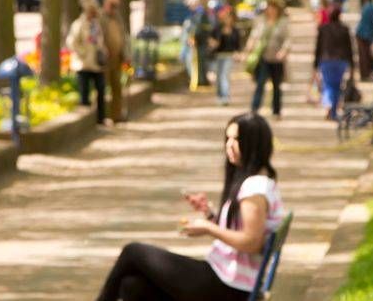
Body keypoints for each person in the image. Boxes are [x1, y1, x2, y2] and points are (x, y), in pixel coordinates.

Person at [96, 113, 284, 301]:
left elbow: (251, 242)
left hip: (228, 285)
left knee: (133, 251)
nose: (229, 145)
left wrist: (209, 228)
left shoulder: (254, 188)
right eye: (228, 138)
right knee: (132, 286)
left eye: (237, 139)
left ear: (254, 143)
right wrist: (210, 214)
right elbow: (244, 230)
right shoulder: (259, 182)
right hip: (226, 280)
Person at [246, 2, 289, 119]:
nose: (270, 11)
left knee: (276, 85)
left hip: (276, 59)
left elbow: (287, 39)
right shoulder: (261, 21)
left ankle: (276, 111)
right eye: (268, 9)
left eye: (272, 9)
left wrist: (284, 51)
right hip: (263, 57)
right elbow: (254, 36)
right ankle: (254, 109)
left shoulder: (283, 23)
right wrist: (248, 49)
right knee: (260, 83)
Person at [313, 6, 355, 120]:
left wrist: (315, 65)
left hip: (326, 61)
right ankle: (333, 111)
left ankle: (329, 107)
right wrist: (352, 65)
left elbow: (318, 48)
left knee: (328, 85)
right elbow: (349, 48)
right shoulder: (344, 29)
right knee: (336, 86)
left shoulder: (323, 28)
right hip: (340, 62)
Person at [210, 1, 243, 106]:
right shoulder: (217, 28)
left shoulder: (235, 30)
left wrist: (238, 53)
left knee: (225, 76)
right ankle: (219, 96)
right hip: (218, 55)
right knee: (218, 77)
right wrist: (213, 43)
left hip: (228, 56)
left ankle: (225, 96)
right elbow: (211, 39)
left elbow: (237, 45)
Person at [185, 0, 215, 90]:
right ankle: (199, 80)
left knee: (200, 61)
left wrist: (194, 37)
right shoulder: (196, 13)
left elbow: (198, 28)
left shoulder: (201, 13)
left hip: (200, 41)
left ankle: (201, 81)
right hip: (198, 40)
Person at [353, 0, 373, 86]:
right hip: (364, 34)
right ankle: (365, 74)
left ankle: (366, 73)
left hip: (361, 33)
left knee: (364, 54)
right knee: (364, 55)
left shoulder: (368, 6)